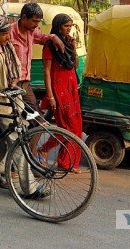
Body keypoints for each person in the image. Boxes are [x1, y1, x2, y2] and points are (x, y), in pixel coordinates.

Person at [0, 15, 48, 198]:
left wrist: (15, 81)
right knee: (16, 140)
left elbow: (15, 66)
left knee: (6, 138)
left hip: (12, 98)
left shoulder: (5, 46)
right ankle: (30, 187)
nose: (9, 37)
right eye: (5, 34)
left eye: (9, 33)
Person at [37, 13, 83, 172]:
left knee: (76, 126)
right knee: (66, 127)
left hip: (71, 88)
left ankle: (66, 162)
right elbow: (47, 72)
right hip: (59, 89)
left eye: (70, 26)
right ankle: (43, 149)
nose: (69, 29)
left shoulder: (68, 42)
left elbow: (74, 65)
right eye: (66, 26)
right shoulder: (51, 45)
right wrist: (50, 96)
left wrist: (73, 48)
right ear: (58, 26)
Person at [10, 3, 64, 116]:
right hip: (10, 82)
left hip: (25, 82)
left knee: (36, 118)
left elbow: (42, 38)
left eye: (38, 22)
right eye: (34, 21)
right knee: (13, 118)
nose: (36, 25)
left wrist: (53, 37)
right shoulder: (9, 33)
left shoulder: (33, 31)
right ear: (24, 17)